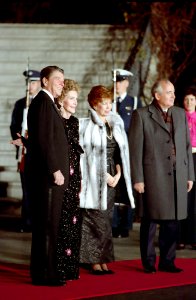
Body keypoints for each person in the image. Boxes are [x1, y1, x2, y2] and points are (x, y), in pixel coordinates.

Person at [128, 79, 195, 274]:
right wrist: (138, 178)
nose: (174, 96)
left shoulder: (180, 114)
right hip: (152, 175)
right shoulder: (141, 115)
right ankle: (149, 263)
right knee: (150, 220)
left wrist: (189, 175)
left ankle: (168, 261)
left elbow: (186, 148)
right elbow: (135, 150)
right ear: (157, 95)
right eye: (169, 92)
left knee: (173, 220)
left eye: (174, 92)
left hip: (177, 174)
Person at [79, 85, 135, 275]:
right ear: (95, 104)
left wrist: (118, 174)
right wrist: (105, 175)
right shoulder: (87, 125)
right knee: (94, 219)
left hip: (113, 174)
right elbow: (86, 157)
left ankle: (103, 259)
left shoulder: (114, 124)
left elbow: (120, 154)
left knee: (106, 220)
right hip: (94, 176)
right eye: (104, 103)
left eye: (110, 102)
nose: (108, 106)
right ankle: (93, 260)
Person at [26, 65, 69, 286]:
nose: (62, 83)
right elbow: (44, 141)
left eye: (63, 79)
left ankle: (45, 271)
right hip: (48, 178)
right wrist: (55, 169)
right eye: (58, 79)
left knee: (49, 226)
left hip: (50, 176)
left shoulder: (47, 103)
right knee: (47, 227)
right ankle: (44, 274)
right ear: (45, 81)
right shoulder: (43, 103)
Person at [55, 79, 84, 280]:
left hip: (74, 177)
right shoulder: (55, 120)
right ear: (62, 99)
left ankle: (71, 267)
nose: (75, 102)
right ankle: (58, 268)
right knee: (61, 222)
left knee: (73, 222)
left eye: (76, 99)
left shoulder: (75, 122)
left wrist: (80, 178)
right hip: (60, 178)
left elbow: (77, 153)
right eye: (71, 98)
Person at [112, 68, 143, 238]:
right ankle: (114, 223)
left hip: (129, 151)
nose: (117, 84)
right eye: (115, 81)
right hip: (113, 150)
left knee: (128, 187)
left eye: (120, 81)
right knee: (114, 187)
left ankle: (126, 224)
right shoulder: (109, 101)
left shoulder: (135, 102)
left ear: (126, 83)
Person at [10, 69, 41, 232]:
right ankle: (27, 221)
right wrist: (19, 140)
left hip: (38, 153)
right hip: (24, 154)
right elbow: (14, 125)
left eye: (33, 82)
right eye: (28, 82)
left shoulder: (43, 103)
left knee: (37, 189)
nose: (30, 85)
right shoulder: (20, 104)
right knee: (26, 189)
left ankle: (37, 222)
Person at [177, 88, 196, 250]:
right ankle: (181, 237)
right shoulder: (178, 117)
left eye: (192, 99)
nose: (189, 102)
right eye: (186, 99)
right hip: (184, 158)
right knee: (185, 198)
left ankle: (194, 237)